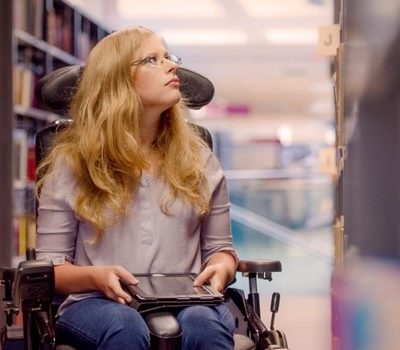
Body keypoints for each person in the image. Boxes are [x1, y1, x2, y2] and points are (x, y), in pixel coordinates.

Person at [35, 26, 238, 350]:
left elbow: (220, 250)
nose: (172, 66)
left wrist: (221, 268)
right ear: (116, 80)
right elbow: (50, 269)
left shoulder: (199, 159)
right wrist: (96, 277)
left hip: (189, 301)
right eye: (152, 60)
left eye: (168, 57)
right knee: (124, 325)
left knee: (203, 325)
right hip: (95, 302)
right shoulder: (72, 163)